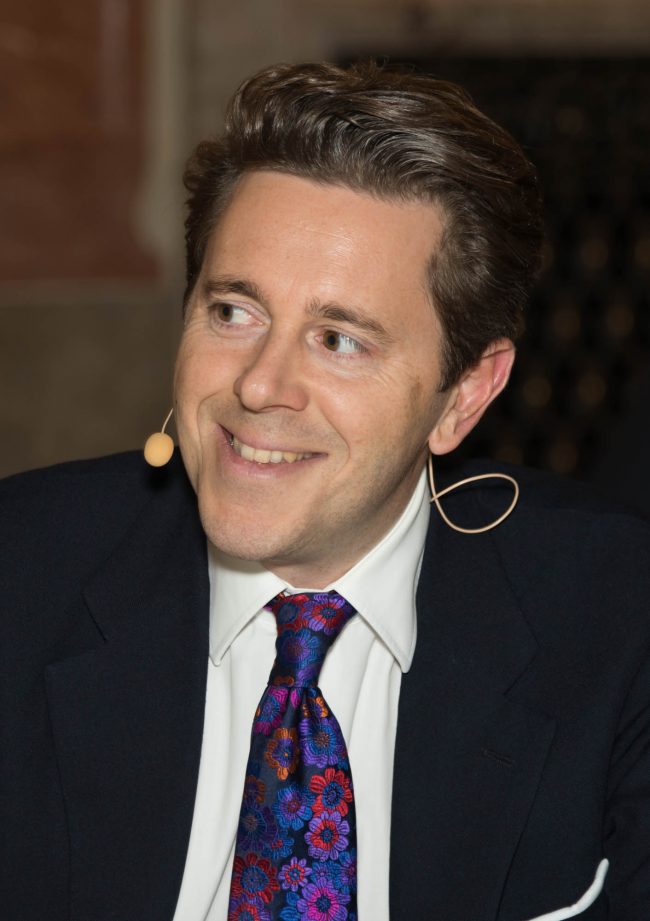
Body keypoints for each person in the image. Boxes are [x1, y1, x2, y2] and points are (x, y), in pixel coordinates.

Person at [2, 61, 649, 921]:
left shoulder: (618, 613)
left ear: (464, 395)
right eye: (233, 312)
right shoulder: (20, 577)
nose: (260, 385)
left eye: (339, 339)